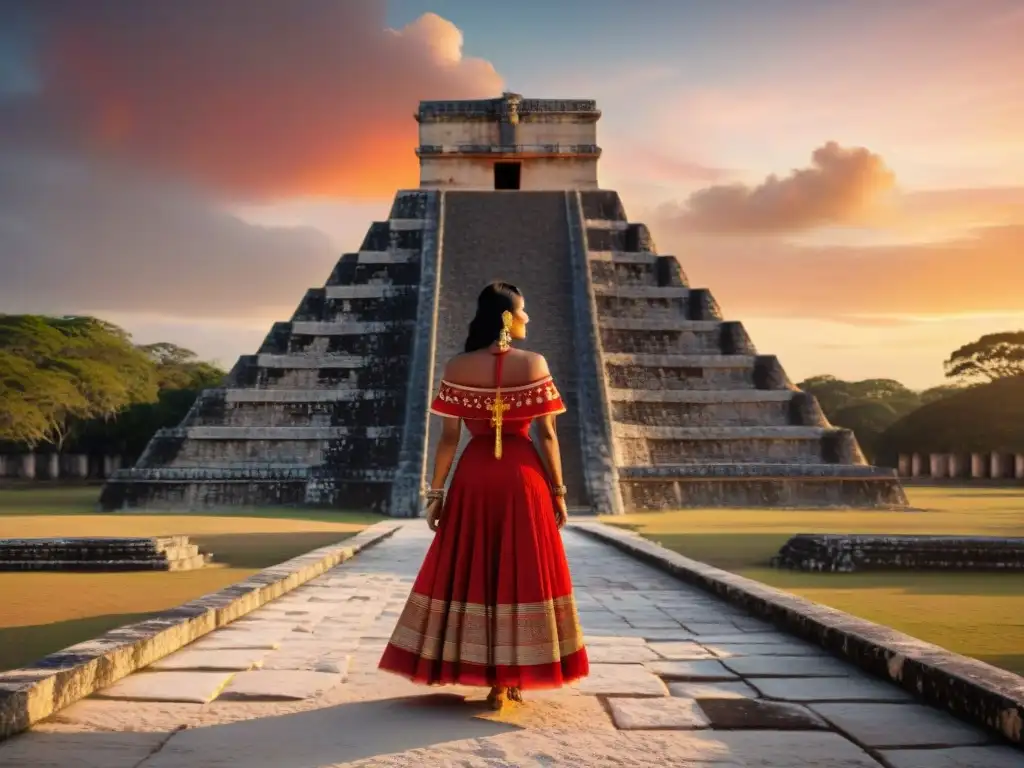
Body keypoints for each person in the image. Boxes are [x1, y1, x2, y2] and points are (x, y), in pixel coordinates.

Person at [378, 281, 589, 710]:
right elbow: (547, 435)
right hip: (522, 478)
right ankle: (508, 681)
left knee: (473, 570)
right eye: (523, 311)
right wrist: (559, 492)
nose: (528, 318)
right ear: (508, 318)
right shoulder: (534, 364)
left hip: (473, 477)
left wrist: (435, 493)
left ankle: (477, 665)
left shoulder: (458, 366)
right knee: (520, 571)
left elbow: (448, 439)